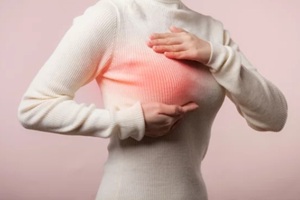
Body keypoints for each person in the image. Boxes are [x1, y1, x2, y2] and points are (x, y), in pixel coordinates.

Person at [17, 0, 288, 199]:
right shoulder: (112, 17)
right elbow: (35, 107)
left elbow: (274, 117)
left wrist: (215, 55)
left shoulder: (211, 30)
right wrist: (128, 121)